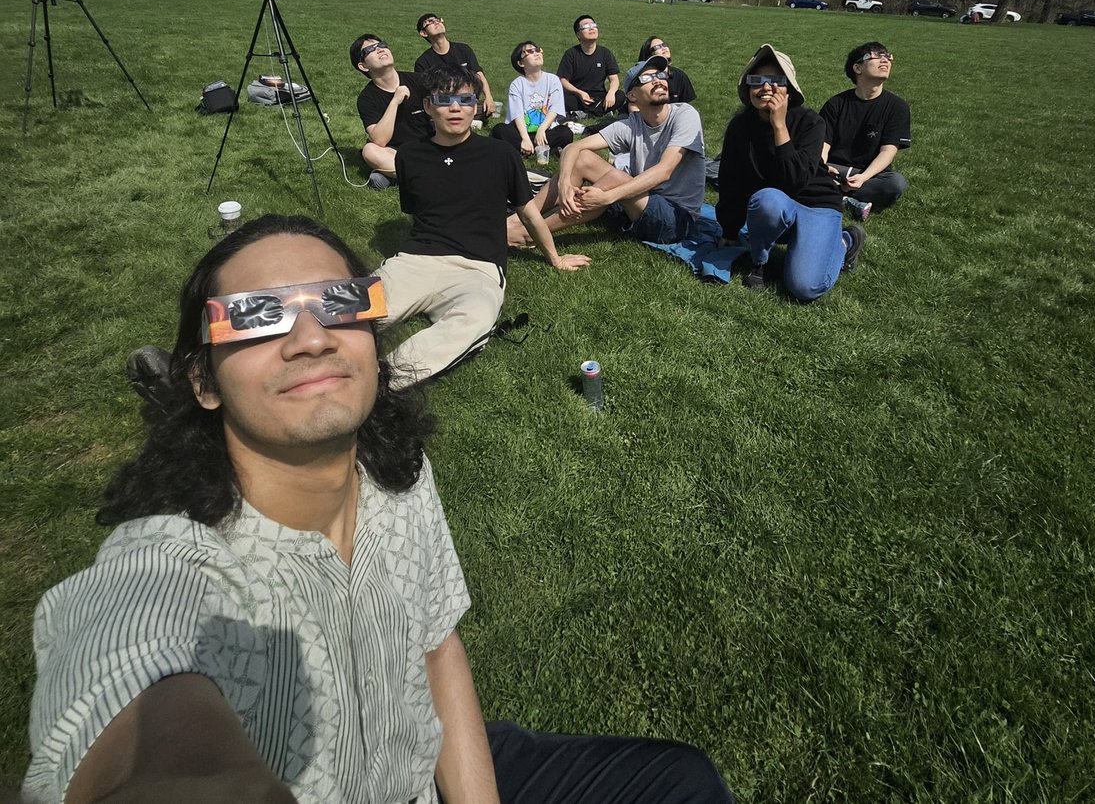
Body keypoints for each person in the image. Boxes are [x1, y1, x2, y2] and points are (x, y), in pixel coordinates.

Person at [24, 216, 732, 804]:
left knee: (683, 781)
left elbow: (436, 644)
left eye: (339, 302)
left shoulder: (393, 465)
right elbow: (135, 698)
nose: (310, 336)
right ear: (202, 381)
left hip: (423, 763)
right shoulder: (170, 560)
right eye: (256, 315)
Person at [381, 65, 588, 383]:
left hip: (479, 269)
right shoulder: (408, 155)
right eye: (444, 98)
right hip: (415, 261)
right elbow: (415, 213)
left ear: (475, 107)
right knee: (350, 309)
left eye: (465, 100)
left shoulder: (500, 154)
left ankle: (380, 379)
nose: (455, 107)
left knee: (475, 319)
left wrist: (555, 258)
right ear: (427, 106)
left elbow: (529, 214)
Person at [508, 54, 705, 247]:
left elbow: (665, 171)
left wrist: (608, 197)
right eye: (648, 78)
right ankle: (518, 220)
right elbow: (573, 148)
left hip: (676, 219)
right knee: (583, 158)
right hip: (639, 201)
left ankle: (529, 235)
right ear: (632, 95)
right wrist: (565, 183)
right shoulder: (632, 124)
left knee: (617, 178)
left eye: (660, 76)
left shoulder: (685, 114)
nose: (658, 81)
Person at [716, 44, 864, 298]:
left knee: (804, 287)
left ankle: (845, 241)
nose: (765, 87)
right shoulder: (740, 128)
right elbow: (731, 182)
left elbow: (796, 181)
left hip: (816, 204)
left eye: (776, 81)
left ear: (789, 90)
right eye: (757, 80)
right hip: (775, 205)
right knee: (767, 199)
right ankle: (759, 262)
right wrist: (729, 231)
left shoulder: (810, 123)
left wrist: (779, 127)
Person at [820, 41, 911, 218]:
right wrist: (821, 167)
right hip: (834, 168)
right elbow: (822, 144)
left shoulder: (897, 107)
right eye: (876, 56)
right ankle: (846, 200)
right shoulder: (836, 104)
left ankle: (830, 195)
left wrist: (862, 178)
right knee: (803, 168)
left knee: (896, 183)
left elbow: (888, 151)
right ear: (857, 68)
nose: (884, 60)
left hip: (870, 174)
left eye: (887, 56)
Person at [350, 34, 430, 189]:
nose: (380, 50)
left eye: (382, 45)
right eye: (371, 49)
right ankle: (425, 175)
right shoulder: (367, 99)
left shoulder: (419, 80)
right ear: (363, 66)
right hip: (399, 153)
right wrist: (395, 101)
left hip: (431, 146)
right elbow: (380, 140)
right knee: (369, 151)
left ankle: (397, 176)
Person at [491, 39, 574, 157]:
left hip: (546, 131)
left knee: (566, 133)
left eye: (538, 50)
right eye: (530, 51)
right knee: (499, 130)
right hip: (522, 132)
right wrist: (525, 138)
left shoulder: (553, 80)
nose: (536, 53)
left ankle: (527, 150)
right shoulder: (517, 84)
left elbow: (554, 109)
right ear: (521, 63)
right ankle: (536, 148)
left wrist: (541, 130)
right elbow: (517, 114)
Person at [413, 13, 496, 118]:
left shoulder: (463, 49)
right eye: (430, 22)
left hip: (466, 100)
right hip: (443, 104)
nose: (436, 23)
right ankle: (468, 119)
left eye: (437, 20)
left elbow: (478, 74)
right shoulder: (423, 62)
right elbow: (426, 93)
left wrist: (489, 97)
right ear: (424, 33)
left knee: (485, 107)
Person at [556, 15, 625, 117]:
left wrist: (611, 92)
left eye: (593, 25)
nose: (591, 28)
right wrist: (579, 93)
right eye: (586, 26)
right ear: (578, 34)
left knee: (620, 96)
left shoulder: (605, 53)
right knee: (559, 97)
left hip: (599, 95)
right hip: (577, 96)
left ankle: (583, 114)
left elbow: (614, 79)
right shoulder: (571, 54)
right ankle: (601, 110)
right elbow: (563, 80)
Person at [638, 36, 696, 104]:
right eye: (657, 47)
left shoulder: (680, 76)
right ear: (649, 55)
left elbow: (687, 105)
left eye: (664, 45)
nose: (663, 48)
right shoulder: (642, 77)